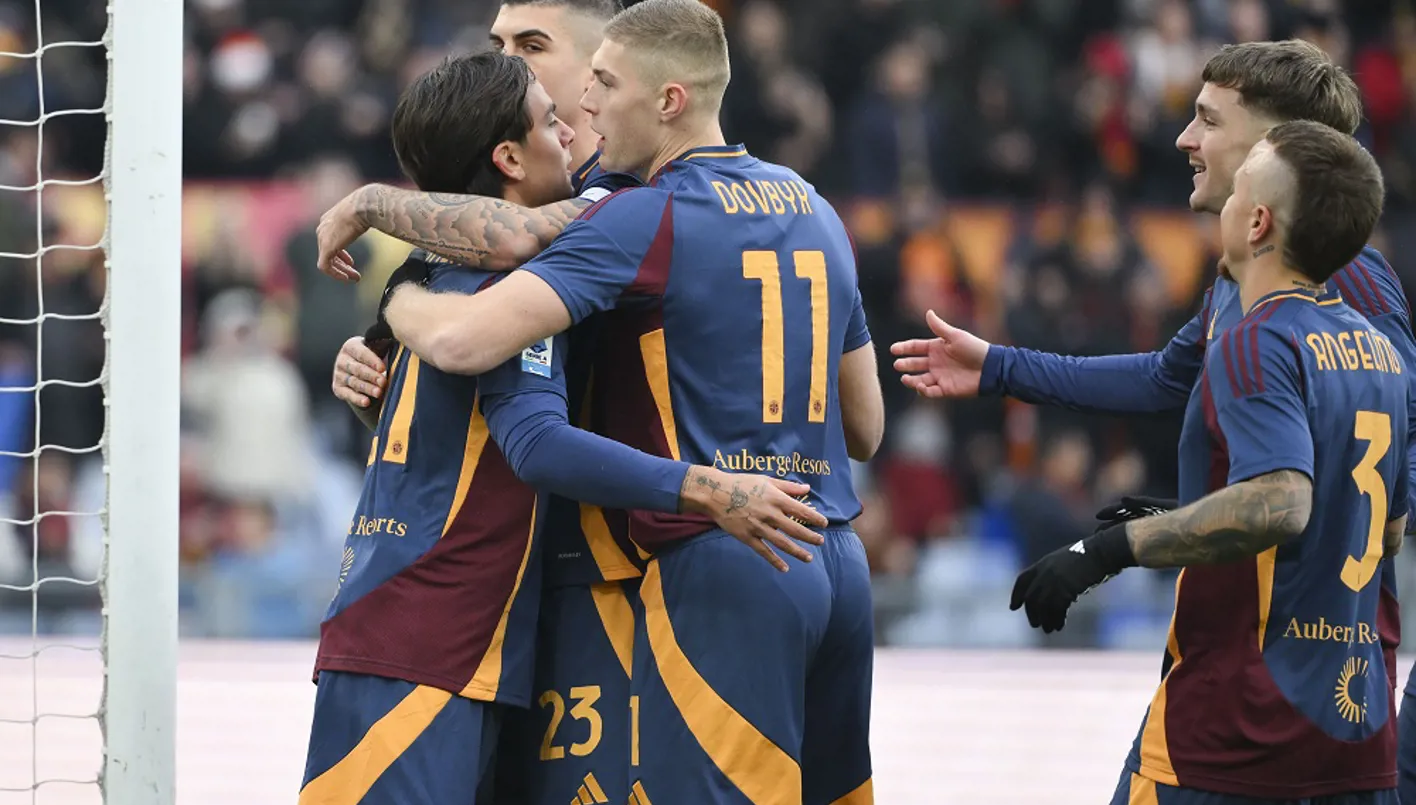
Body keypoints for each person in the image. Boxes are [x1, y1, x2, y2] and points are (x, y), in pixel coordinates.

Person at [327, 1, 884, 801]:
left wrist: (394, 276)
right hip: (831, 549)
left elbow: (472, 336)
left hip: (701, 556)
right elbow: (865, 425)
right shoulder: (814, 206)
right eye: (498, 42)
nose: (584, 98)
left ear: (660, 95)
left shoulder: (630, 210)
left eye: (537, 47)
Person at [889, 40, 1416, 800]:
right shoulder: (1253, 276)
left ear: (1274, 147)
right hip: (1291, 681)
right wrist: (1002, 367)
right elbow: (1170, 377)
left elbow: (1386, 457)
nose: (1184, 138)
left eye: (1208, 119)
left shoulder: (1345, 279)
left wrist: (1190, 525)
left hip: (1269, 680)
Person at [1018, 120, 1404, 804]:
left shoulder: (1255, 337)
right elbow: (1384, 526)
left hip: (1237, 729)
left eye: (1239, 190)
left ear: (1258, 223)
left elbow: (1283, 503)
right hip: (1352, 737)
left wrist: (1104, 550)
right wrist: (1194, 514)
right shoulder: (1379, 353)